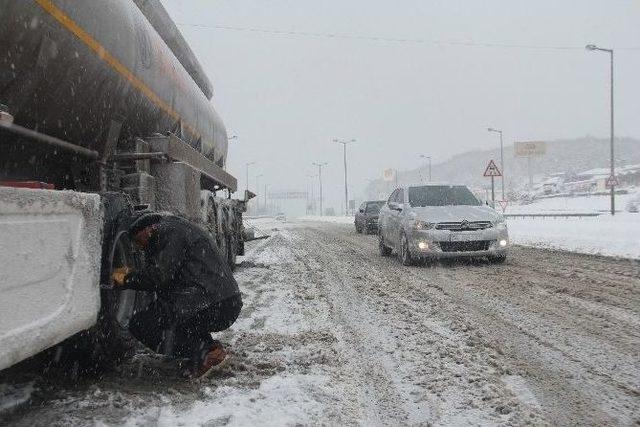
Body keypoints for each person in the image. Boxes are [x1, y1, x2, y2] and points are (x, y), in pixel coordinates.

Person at [111, 212, 242, 379]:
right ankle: (211, 350)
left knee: (142, 324)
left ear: (148, 229)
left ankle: (205, 353)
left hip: (212, 301)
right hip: (224, 301)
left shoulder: (169, 233)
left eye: (138, 240)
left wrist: (126, 279)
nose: (139, 247)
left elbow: (159, 276)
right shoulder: (176, 228)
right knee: (173, 315)